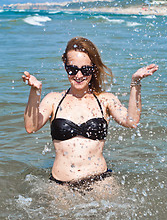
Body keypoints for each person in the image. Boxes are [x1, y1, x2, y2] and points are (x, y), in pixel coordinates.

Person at [22, 36, 158, 187]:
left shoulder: (105, 100)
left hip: (100, 182)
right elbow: (31, 127)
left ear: (93, 68)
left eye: (85, 70)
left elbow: (131, 121)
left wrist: (135, 83)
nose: (79, 75)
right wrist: (35, 91)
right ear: (65, 66)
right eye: (72, 69)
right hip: (60, 185)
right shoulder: (53, 100)